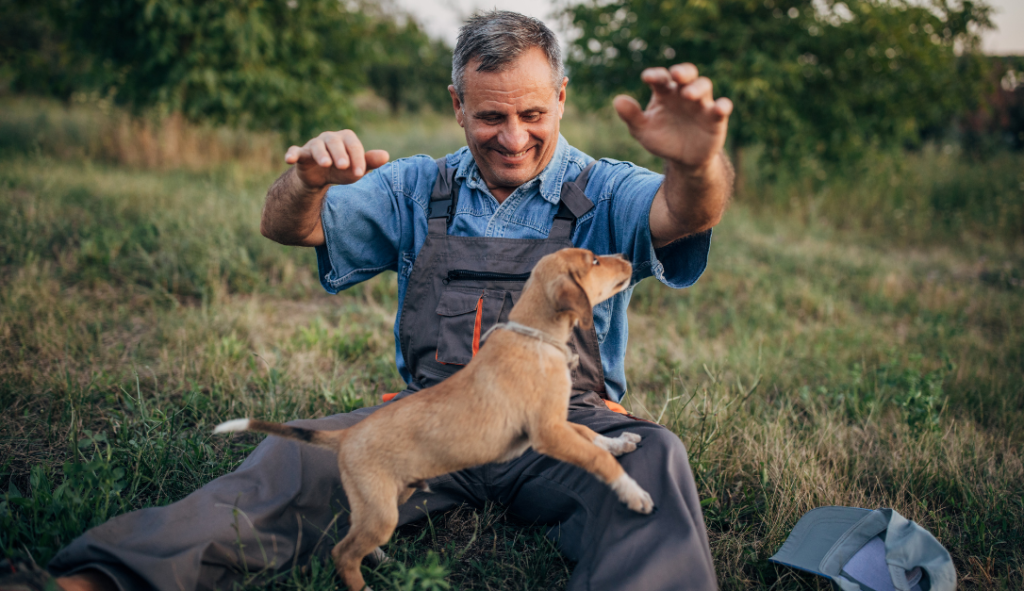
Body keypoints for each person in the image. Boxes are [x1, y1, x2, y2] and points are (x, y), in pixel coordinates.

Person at [36, 10, 732, 591]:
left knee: (653, 459)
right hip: (436, 422)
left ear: (562, 98)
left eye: (531, 113)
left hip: (561, 423)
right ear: (457, 104)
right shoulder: (413, 188)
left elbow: (684, 212)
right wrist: (307, 182)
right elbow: (289, 226)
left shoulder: (606, 188)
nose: (513, 137)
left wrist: (699, 164)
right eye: (491, 115)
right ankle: (96, 579)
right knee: (291, 461)